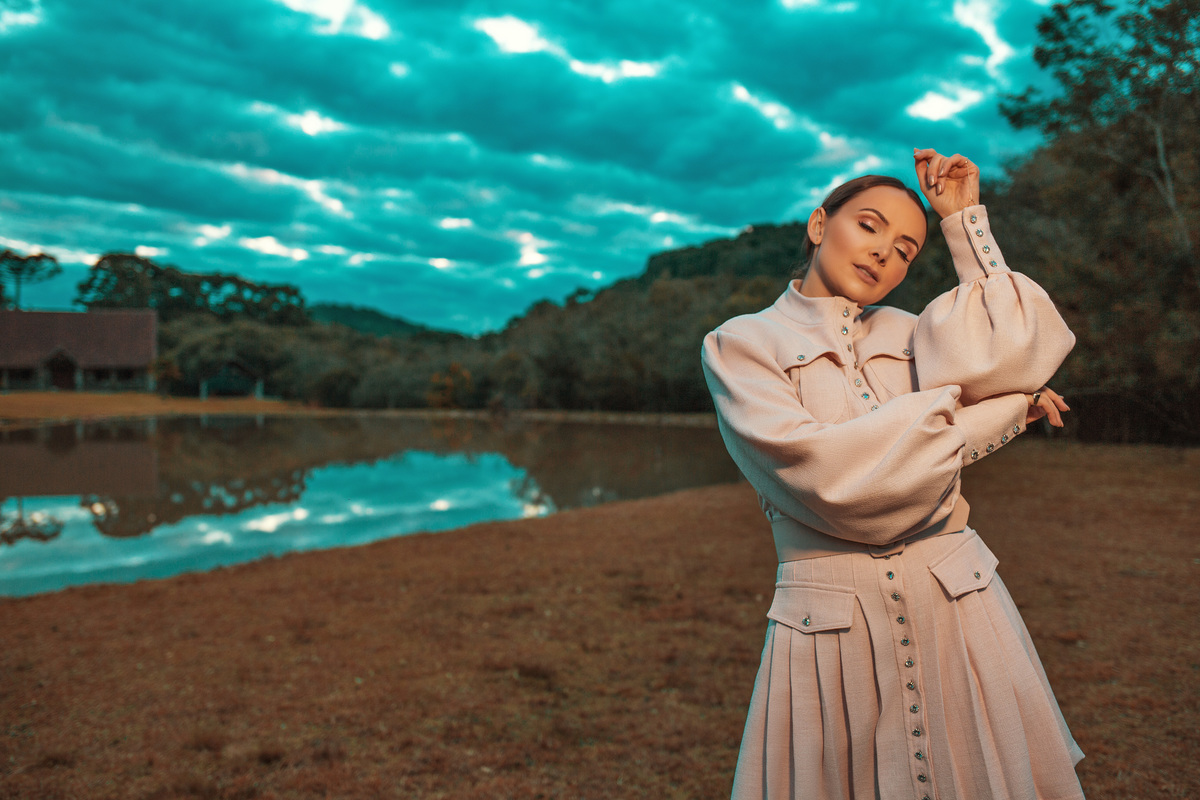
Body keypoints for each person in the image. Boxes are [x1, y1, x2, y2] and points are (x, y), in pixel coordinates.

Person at [700, 148, 1085, 800]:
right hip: (829, 636)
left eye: (907, 249)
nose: (885, 253)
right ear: (820, 225)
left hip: (961, 609)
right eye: (870, 226)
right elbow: (834, 483)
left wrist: (964, 222)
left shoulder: (915, 334)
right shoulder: (739, 345)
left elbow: (1022, 350)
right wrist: (995, 415)